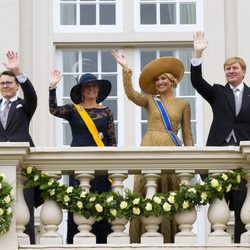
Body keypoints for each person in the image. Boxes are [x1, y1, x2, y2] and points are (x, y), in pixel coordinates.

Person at [112, 50, 194, 243]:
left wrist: (191, 160)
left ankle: (170, 239)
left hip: (172, 149)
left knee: (169, 194)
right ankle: (142, 238)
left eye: (163, 78)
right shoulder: (150, 100)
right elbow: (131, 95)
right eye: (157, 80)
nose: (160, 82)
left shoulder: (183, 104)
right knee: (147, 191)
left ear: (172, 80)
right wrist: (125, 70)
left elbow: (188, 135)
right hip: (149, 146)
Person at [190, 31, 250, 243]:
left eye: (234, 68)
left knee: (244, 202)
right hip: (218, 153)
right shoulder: (217, 92)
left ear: (243, 72)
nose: (230, 71)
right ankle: (219, 243)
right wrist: (198, 54)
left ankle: (243, 243)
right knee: (218, 202)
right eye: (227, 69)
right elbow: (197, 81)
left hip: (243, 157)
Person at [48, 70, 117, 244]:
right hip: (78, 162)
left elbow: (112, 142)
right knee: (79, 203)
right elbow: (54, 110)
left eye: (94, 86)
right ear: (81, 91)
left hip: (101, 166)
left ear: (98, 90)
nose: (91, 89)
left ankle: (102, 244)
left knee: (102, 206)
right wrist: (52, 87)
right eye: (87, 87)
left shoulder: (107, 111)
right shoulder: (73, 110)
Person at [0, 51, 39, 244]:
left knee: (25, 210)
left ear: (16, 86)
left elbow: (32, 96)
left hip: (23, 167)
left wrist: (18, 72)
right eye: (2, 83)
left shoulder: (24, 105)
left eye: (9, 82)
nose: (5, 86)